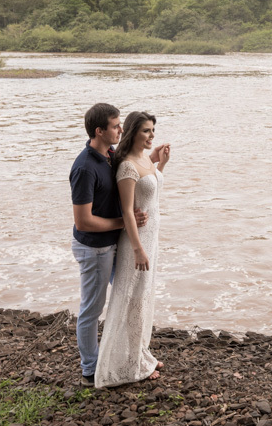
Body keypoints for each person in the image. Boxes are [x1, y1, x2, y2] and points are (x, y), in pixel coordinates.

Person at [69, 103, 148, 386]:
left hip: (114, 244)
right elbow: (83, 222)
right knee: (92, 309)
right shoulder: (84, 168)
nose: (121, 130)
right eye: (116, 126)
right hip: (94, 248)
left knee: (130, 296)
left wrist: (159, 162)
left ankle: (131, 355)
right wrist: (124, 224)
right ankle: (90, 368)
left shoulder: (110, 155)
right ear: (99, 131)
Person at [94, 110, 171, 388]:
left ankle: (139, 353)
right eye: (146, 131)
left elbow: (149, 193)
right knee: (131, 300)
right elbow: (128, 211)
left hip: (151, 238)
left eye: (153, 130)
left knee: (143, 297)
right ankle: (124, 366)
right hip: (136, 242)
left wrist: (160, 165)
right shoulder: (127, 165)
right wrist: (138, 249)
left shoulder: (143, 159)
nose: (152, 136)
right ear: (132, 133)